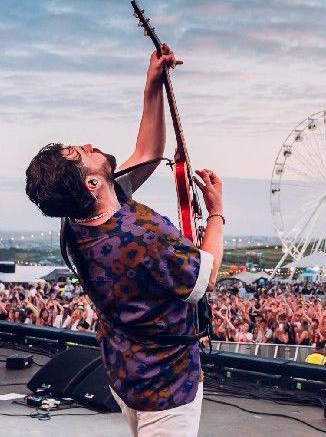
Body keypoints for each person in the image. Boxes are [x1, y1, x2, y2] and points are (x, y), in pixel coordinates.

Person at [25, 45, 224, 437]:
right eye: (79, 152)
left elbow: (148, 153)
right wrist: (216, 212)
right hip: (167, 387)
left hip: (122, 370)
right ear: (93, 183)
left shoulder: (75, 220)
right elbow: (207, 276)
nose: (87, 144)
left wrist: (152, 86)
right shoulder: (145, 235)